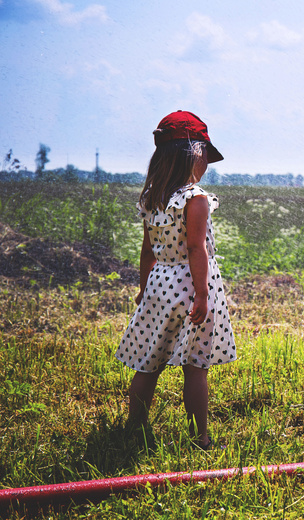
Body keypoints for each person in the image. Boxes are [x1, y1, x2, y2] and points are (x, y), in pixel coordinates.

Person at [116, 110, 236, 450]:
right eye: (205, 158)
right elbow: (196, 250)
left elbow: (147, 251)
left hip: (159, 285)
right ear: (193, 156)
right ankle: (201, 438)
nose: (206, 166)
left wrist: (144, 290)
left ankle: (133, 428)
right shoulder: (195, 199)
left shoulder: (152, 199)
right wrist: (202, 295)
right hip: (191, 286)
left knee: (148, 363)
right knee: (196, 367)